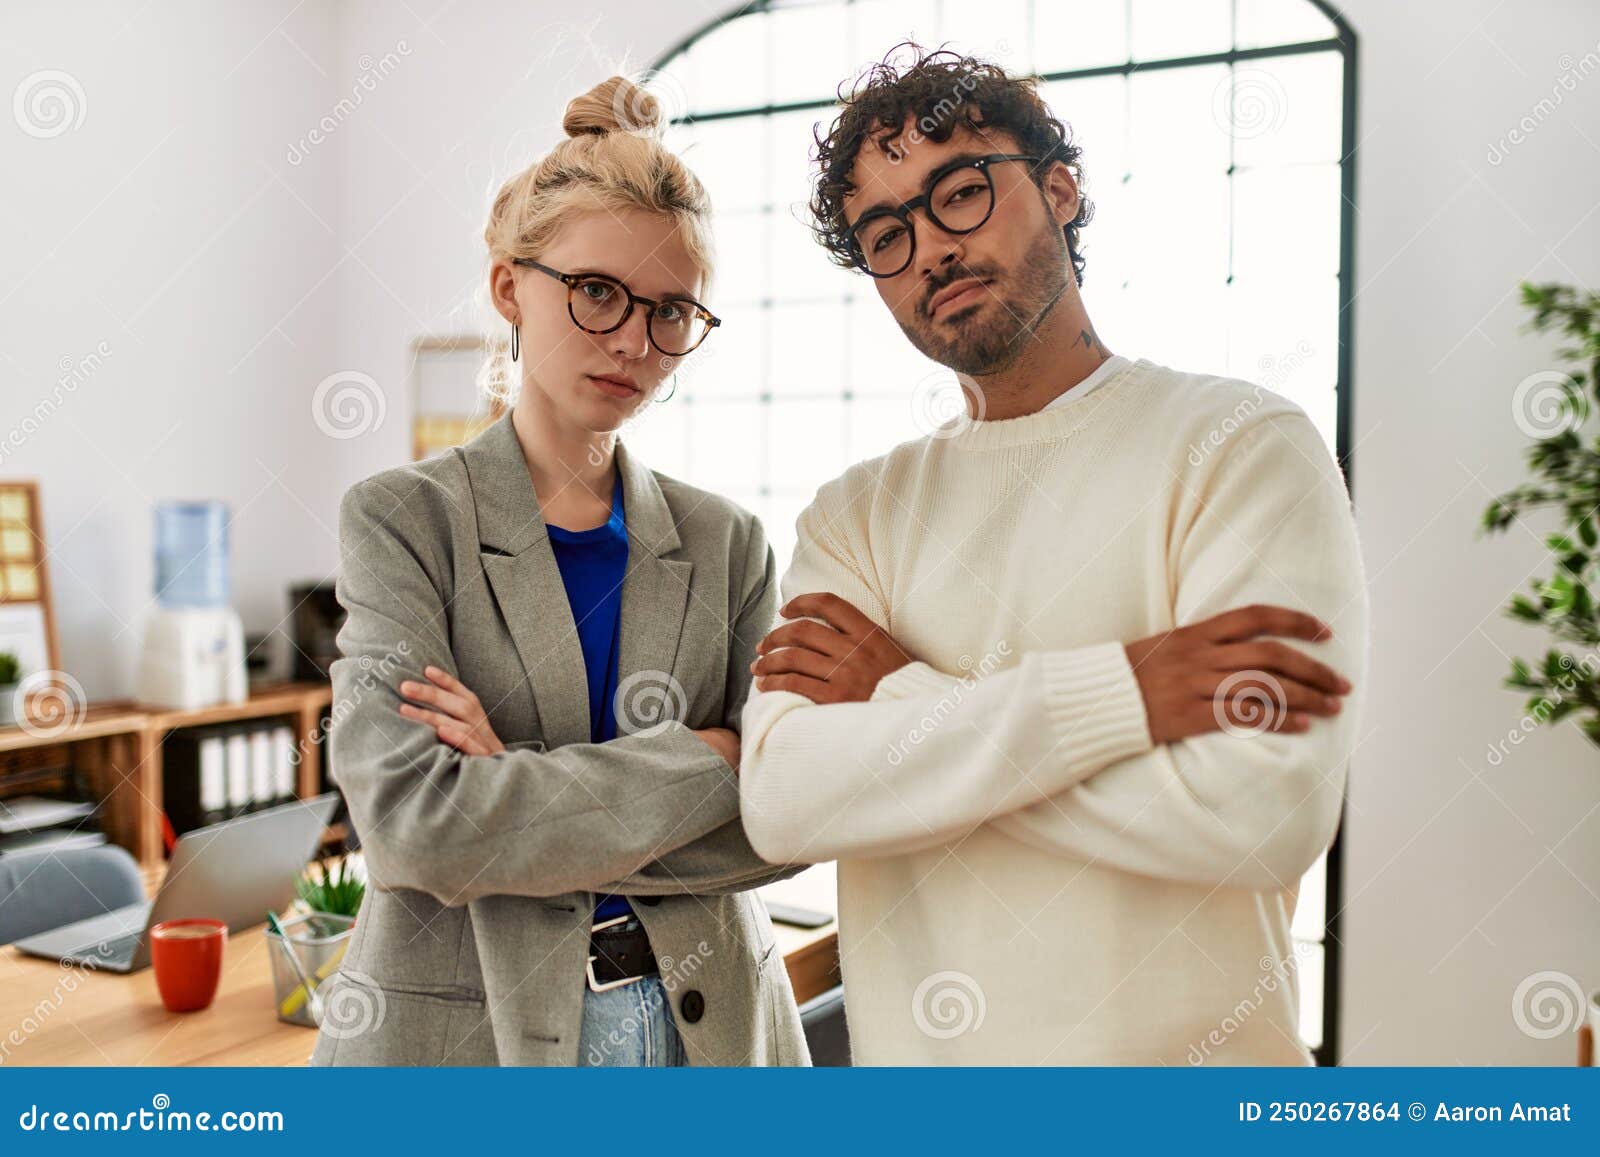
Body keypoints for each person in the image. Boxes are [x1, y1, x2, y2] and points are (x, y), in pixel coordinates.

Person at [738, 45, 1368, 1065]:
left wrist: (898, 702)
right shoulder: (853, 514)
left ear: (1060, 189)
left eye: (959, 193)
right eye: (885, 235)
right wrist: (1121, 696)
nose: (930, 248)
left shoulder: (1240, 445)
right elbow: (784, 800)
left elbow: (1258, 811)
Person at [312, 75, 808, 1068]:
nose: (633, 339)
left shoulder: (729, 541)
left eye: (673, 312)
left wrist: (511, 779)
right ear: (510, 286)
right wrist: (711, 755)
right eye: (596, 293)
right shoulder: (405, 521)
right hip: (466, 1030)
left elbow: (794, 812)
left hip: (703, 1026)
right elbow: (414, 826)